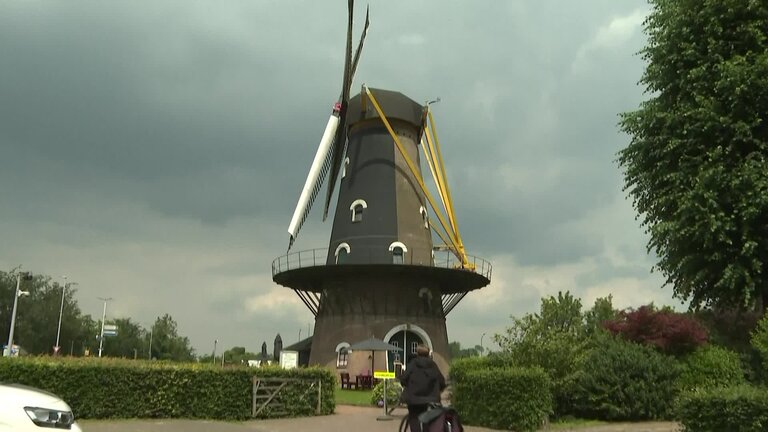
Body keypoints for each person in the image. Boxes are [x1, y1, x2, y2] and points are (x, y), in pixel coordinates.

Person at [399, 345, 446, 431]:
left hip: (414, 399)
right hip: (431, 400)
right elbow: (442, 382)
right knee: (429, 421)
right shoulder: (433, 365)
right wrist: (439, 390)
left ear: (417, 353)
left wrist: (408, 385)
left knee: (414, 420)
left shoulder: (413, 364)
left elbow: (403, 378)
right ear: (428, 354)